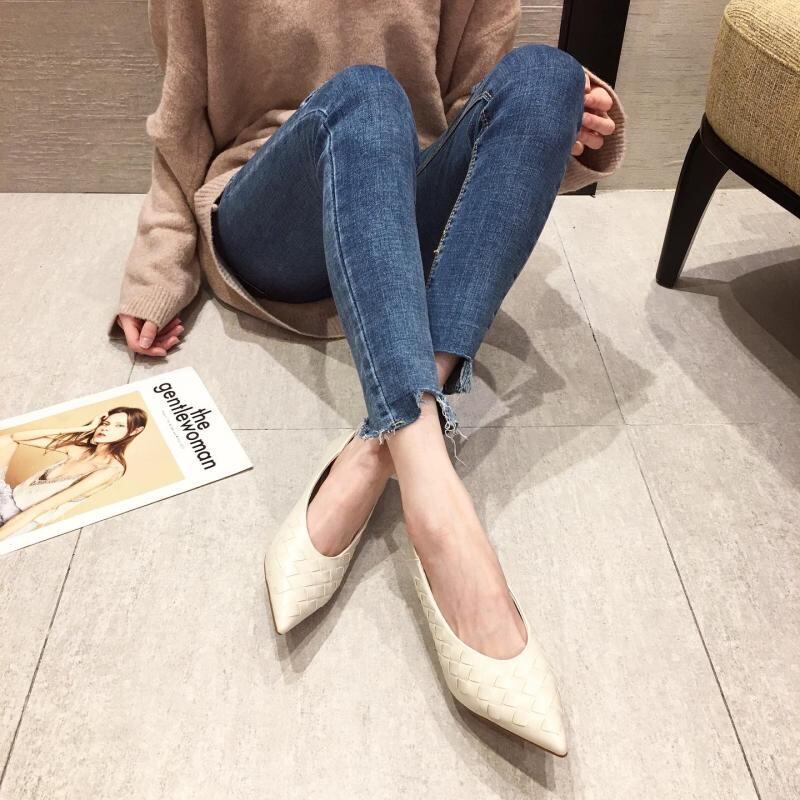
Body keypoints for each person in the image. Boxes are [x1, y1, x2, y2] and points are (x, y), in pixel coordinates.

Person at [109, 0, 626, 751]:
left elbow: (481, 115)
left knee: (549, 75)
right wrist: (157, 272)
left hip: (396, 217)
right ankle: (442, 516)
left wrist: (567, 122)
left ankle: (385, 451)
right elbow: (179, 124)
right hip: (271, 214)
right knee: (368, 93)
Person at [0, 408, 146, 540]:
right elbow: (15, 437)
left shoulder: (109, 470)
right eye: (105, 423)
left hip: (19, 520)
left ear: (135, 431)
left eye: (119, 426)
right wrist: (84, 428)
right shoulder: (79, 450)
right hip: (8, 498)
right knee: (5, 440)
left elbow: (40, 509)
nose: (106, 428)